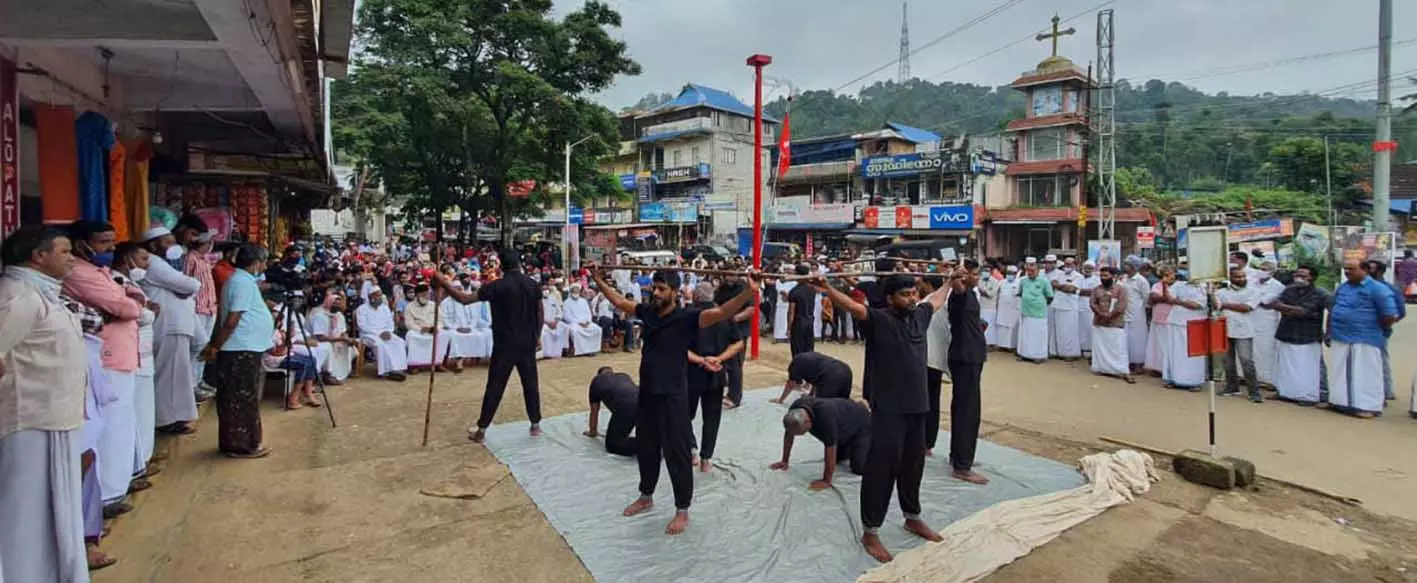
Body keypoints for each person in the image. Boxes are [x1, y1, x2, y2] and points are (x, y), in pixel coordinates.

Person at [588, 264, 761, 536]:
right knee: (647, 448)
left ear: (675, 291)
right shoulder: (648, 313)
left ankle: (682, 509)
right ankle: (646, 495)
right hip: (647, 394)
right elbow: (620, 301)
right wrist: (598, 279)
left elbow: (722, 312)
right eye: (653, 288)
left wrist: (748, 293)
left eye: (661, 289)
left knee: (677, 454)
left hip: (674, 396)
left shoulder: (689, 317)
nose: (655, 293)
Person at [811, 272, 949, 563]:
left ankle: (912, 517)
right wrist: (827, 289)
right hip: (888, 409)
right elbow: (853, 307)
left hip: (918, 407)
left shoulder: (920, 315)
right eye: (904, 295)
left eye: (913, 293)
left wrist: (950, 281)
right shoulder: (879, 321)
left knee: (913, 465)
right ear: (889, 298)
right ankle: (871, 532)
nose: (911, 298)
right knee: (882, 469)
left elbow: (934, 301)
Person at [0, 227, 90, 582]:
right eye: (65, 251)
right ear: (38, 256)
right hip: (29, 420)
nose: (72, 258)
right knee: (25, 512)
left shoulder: (40, 293)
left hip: (53, 417)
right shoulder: (18, 296)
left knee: (49, 512)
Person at [63, 221, 147, 510]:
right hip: (105, 358)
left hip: (120, 353)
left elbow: (134, 300)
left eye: (112, 241)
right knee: (109, 426)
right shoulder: (78, 271)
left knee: (122, 422)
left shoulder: (99, 271)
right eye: (103, 242)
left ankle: (118, 482)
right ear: (80, 245)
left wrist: (130, 303)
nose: (111, 248)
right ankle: (107, 493)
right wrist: (129, 305)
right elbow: (128, 307)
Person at [434, 251, 545, 443]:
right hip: (526, 342)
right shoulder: (532, 285)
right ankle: (535, 425)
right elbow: (540, 313)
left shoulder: (496, 286)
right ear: (519, 264)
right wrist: (537, 336)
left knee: (495, 386)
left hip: (504, 344)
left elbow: (464, 299)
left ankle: (482, 429)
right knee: (531, 384)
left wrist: (445, 284)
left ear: (501, 266)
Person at [199, 245, 276, 458]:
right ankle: (242, 445)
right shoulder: (241, 282)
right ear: (256, 262)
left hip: (246, 346)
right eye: (263, 261)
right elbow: (233, 320)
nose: (265, 265)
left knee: (241, 396)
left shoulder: (243, 281)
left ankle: (241, 442)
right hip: (240, 347)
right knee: (241, 398)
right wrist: (216, 345)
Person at [138, 226, 202, 435]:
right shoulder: (154, 263)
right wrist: (186, 287)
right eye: (166, 242)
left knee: (175, 373)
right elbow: (190, 285)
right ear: (153, 245)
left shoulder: (161, 263)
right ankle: (168, 420)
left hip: (173, 324)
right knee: (170, 375)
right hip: (168, 324)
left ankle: (173, 417)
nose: (172, 246)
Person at [1324, 260, 1399, 418]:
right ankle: (1339, 402)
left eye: (1351, 269)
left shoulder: (1378, 289)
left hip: (1365, 337)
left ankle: (1368, 406)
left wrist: (1375, 328)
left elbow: (1390, 315)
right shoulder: (1344, 287)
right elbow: (1333, 309)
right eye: (1345, 269)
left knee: (1366, 372)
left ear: (1365, 270)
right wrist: (1329, 331)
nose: (1347, 272)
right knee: (1340, 370)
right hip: (1340, 335)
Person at [685, 282, 744, 473]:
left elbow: (678, 348)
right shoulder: (723, 316)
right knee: (712, 418)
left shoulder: (689, 316)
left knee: (684, 415)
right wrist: (719, 359)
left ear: (695, 296)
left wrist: (704, 360)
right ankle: (706, 459)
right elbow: (738, 344)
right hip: (716, 372)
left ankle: (691, 449)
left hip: (692, 373)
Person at [946, 260, 990, 485]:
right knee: (968, 411)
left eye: (976, 273)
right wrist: (957, 277)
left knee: (963, 407)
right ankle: (963, 466)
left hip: (971, 355)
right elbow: (958, 288)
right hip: (965, 357)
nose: (975, 277)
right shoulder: (960, 293)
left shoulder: (973, 293)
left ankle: (958, 456)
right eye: (971, 274)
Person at [770, 397, 872, 488]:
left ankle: (878, 449)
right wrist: (784, 461)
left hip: (861, 424)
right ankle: (852, 447)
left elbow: (830, 448)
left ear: (808, 422)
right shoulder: (795, 409)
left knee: (859, 468)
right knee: (837, 459)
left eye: (802, 432)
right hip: (843, 424)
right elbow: (789, 434)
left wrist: (826, 480)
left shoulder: (825, 417)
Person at [1269, 266, 1329, 405]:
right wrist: (1291, 310)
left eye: (1303, 275)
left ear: (1312, 277)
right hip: (1287, 332)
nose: (1298, 276)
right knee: (1286, 366)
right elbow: (1274, 304)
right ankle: (1286, 393)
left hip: (1308, 335)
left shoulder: (1320, 293)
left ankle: (1310, 396)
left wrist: (1286, 308)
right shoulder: (1289, 289)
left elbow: (1303, 311)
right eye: (1297, 274)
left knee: (1309, 367)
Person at [1215, 267, 1263, 402]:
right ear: (1230, 278)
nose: (1241, 279)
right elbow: (1216, 305)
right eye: (1237, 277)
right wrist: (1213, 293)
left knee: (1246, 361)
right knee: (1227, 361)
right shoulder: (1221, 291)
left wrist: (1225, 305)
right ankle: (1232, 386)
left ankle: (1254, 392)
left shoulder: (1254, 291)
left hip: (1244, 330)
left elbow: (1246, 308)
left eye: (1243, 276)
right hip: (1225, 329)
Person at [1363, 260, 1406, 400]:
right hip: (1360, 330)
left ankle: (1386, 391)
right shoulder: (1361, 286)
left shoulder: (1388, 288)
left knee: (1381, 360)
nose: (1367, 270)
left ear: (1380, 271)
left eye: (1370, 268)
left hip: (1380, 331)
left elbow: (1400, 312)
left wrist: (1385, 323)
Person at [919, 275, 952, 457]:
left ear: (929, 285)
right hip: (937, 360)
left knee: (925, 402)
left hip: (927, 360)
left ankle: (924, 442)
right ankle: (928, 443)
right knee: (933, 401)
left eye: (922, 284)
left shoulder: (928, 304)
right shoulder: (945, 302)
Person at [1162, 272, 1207, 391]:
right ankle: (1174, 379)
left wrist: (1178, 301)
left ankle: (1194, 381)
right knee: (1175, 352)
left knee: (1193, 355)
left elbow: (1196, 305)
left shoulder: (1204, 287)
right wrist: (1166, 284)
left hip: (1195, 324)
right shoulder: (1179, 284)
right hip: (1176, 322)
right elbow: (1168, 298)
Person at [1089, 266, 1134, 384]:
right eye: (1101, 276)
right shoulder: (1096, 289)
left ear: (1113, 276)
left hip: (1115, 323)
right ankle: (1101, 368)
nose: (1103, 278)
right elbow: (1093, 303)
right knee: (1100, 347)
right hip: (1099, 323)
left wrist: (1110, 315)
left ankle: (1124, 371)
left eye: (1106, 275)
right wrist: (1101, 313)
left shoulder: (1121, 289)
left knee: (1119, 349)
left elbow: (1122, 306)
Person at [355, 288, 409, 381]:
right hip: (368, 334)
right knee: (380, 345)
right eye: (377, 296)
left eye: (380, 295)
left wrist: (388, 331)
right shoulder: (362, 309)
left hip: (385, 333)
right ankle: (385, 371)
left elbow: (390, 323)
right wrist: (378, 333)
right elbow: (362, 326)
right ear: (370, 297)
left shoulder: (384, 308)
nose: (380, 298)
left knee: (399, 342)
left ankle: (398, 368)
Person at [584, 367, 638, 457]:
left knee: (613, 444)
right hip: (645, 401)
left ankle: (649, 446)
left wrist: (592, 432)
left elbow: (594, 411)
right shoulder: (623, 375)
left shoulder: (596, 382)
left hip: (626, 406)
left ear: (599, 374)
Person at [1249, 261, 1286, 390]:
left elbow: (1264, 302)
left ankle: (1267, 380)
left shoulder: (1278, 286)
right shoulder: (1252, 282)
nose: (1261, 271)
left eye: (1264, 269)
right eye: (1260, 268)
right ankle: (1248, 377)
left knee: (1266, 351)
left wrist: (1252, 299)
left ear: (1272, 272)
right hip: (1251, 320)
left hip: (1267, 323)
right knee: (1251, 350)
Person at [306, 292, 358, 383]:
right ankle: (328, 375)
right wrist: (341, 339)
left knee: (351, 349)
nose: (338, 306)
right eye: (335, 303)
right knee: (328, 347)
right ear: (329, 303)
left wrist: (347, 339)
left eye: (339, 304)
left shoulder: (339, 315)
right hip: (317, 341)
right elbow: (320, 337)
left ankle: (341, 373)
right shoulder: (319, 315)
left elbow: (342, 333)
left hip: (336, 340)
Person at [438, 281, 488, 371]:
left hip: (469, 327)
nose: (459, 291)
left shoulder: (467, 299)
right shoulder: (445, 303)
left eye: (460, 289)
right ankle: (459, 361)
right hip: (453, 329)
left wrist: (469, 327)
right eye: (456, 289)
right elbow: (444, 319)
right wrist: (456, 328)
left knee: (479, 335)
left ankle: (476, 358)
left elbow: (474, 316)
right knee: (455, 337)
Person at [770, 352, 854, 403]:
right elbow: (816, 378)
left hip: (831, 375)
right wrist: (810, 395)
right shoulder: (807, 360)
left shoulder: (794, 367)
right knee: (844, 402)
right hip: (846, 370)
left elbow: (790, 384)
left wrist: (780, 400)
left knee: (824, 406)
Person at [403, 284, 449, 373]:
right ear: (417, 295)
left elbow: (440, 321)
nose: (426, 296)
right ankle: (415, 365)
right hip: (419, 331)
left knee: (444, 335)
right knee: (411, 335)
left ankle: (438, 363)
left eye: (427, 294)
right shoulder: (409, 307)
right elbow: (408, 323)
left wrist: (436, 328)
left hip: (433, 330)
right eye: (423, 295)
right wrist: (421, 329)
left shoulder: (434, 305)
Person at [1016, 261, 1054, 363]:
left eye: (1032, 270)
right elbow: (1020, 293)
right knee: (1026, 335)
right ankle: (1024, 354)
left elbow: (1050, 296)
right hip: (1026, 312)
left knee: (1038, 335)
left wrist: (1040, 304)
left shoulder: (1044, 281)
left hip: (1039, 313)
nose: (1030, 273)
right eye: (1028, 271)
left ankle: (1039, 356)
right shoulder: (1023, 281)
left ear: (1038, 271)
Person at [1049, 256, 1083, 360]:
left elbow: (1072, 289)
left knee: (1069, 332)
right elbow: (1053, 283)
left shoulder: (1079, 277)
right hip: (1058, 305)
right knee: (1057, 331)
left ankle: (1070, 354)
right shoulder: (1059, 274)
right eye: (1066, 264)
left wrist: (1059, 286)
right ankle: (1056, 352)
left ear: (1075, 265)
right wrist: (1062, 287)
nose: (1067, 266)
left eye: (1070, 264)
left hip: (1070, 307)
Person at [1144, 267, 1176, 377]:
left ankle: (1168, 367)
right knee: (1157, 344)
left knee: (1169, 344)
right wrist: (1168, 298)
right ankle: (1158, 368)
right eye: (1166, 275)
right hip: (1158, 318)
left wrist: (1168, 299)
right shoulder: (1157, 286)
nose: (1169, 277)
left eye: (1171, 274)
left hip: (1172, 319)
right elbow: (1154, 297)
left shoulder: (1178, 286)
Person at [1121, 257, 1151, 374]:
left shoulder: (1141, 280)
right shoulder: (1124, 279)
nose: (1125, 266)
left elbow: (1147, 298)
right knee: (1127, 339)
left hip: (1138, 314)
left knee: (1138, 340)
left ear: (1134, 266)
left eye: (1127, 264)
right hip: (1125, 313)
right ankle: (1129, 363)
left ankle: (1139, 364)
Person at [562, 284, 603, 357]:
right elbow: (566, 316)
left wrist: (587, 322)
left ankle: (592, 350)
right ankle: (579, 351)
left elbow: (588, 314)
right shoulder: (566, 302)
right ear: (571, 292)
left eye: (577, 291)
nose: (576, 293)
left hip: (586, 322)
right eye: (574, 291)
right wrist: (579, 323)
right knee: (575, 331)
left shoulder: (583, 301)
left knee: (597, 329)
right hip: (574, 323)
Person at [786, 264, 817, 356]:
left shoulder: (794, 291)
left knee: (797, 350)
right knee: (808, 349)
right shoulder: (812, 289)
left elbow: (791, 312)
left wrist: (789, 328)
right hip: (810, 322)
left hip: (799, 323)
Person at [994, 265, 1022, 350]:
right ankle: (1002, 345)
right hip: (1002, 309)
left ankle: (1012, 346)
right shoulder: (1001, 282)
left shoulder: (1019, 282)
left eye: (1012, 273)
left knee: (1012, 328)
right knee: (1002, 327)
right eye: (1008, 273)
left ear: (1015, 274)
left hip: (1014, 309)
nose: (1010, 275)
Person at [1076, 261, 1101, 354]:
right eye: (1086, 268)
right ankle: (1081, 349)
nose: (1087, 270)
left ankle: (1089, 349)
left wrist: (1080, 291)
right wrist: (1083, 291)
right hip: (1078, 307)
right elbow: (1074, 289)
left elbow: (1095, 292)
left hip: (1090, 309)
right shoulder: (1078, 278)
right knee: (1079, 329)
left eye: (1090, 268)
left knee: (1089, 329)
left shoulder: (1097, 279)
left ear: (1093, 269)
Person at [539, 283, 569, 359]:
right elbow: (537, 315)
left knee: (565, 327)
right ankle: (546, 353)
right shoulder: (537, 300)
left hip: (555, 322)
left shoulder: (553, 299)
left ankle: (564, 349)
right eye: (543, 289)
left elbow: (560, 312)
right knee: (543, 332)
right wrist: (547, 323)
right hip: (543, 323)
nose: (545, 291)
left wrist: (556, 321)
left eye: (547, 289)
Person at [977, 264, 1001, 347]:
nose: (985, 273)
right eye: (984, 271)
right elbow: (978, 291)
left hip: (991, 307)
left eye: (987, 271)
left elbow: (990, 294)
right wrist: (983, 292)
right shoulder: (979, 280)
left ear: (991, 272)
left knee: (990, 327)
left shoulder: (995, 282)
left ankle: (990, 344)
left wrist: (982, 291)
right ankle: (981, 342)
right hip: (981, 306)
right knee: (981, 326)